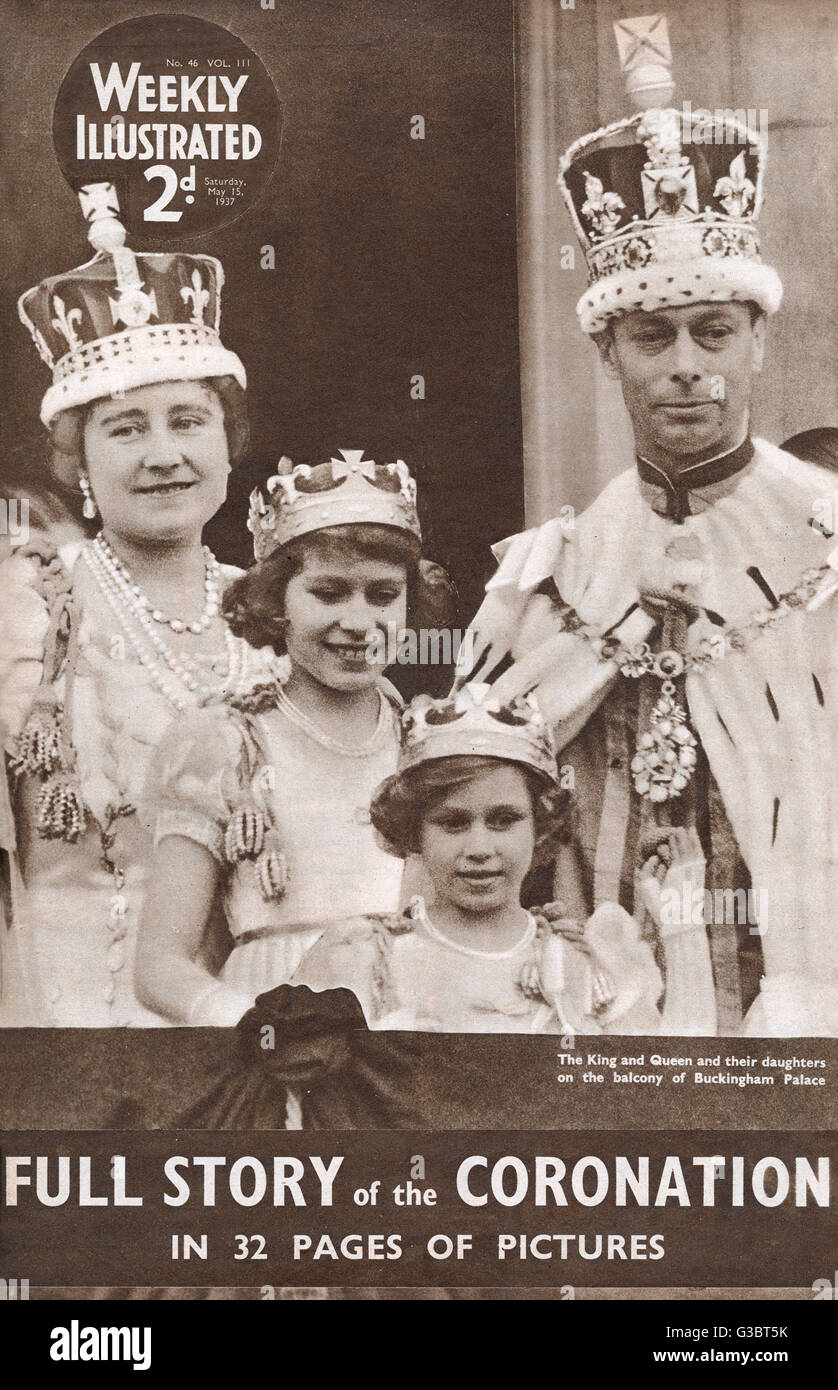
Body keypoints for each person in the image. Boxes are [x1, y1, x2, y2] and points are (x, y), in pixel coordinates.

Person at [456, 104, 838, 1036]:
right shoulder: (564, 561)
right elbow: (485, 765)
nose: (686, 368)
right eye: (652, 338)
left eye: (713, 334)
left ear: (756, 338)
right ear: (606, 352)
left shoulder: (824, 538)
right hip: (610, 963)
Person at [0, 182, 281, 1026]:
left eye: (187, 421)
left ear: (227, 446)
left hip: (259, 1022)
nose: (164, 454)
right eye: (126, 429)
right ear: (76, 460)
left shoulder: (273, 616)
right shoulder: (26, 616)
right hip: (75, 1019)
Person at [136, 450, 453, 1026]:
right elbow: (160, 966)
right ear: (275, 601)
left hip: (412, 1027)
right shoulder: (226, 739)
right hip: (273, 1023)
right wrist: (253, 1023)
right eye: (328, 593)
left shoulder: (428, 742)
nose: (359, 622)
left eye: (382, 595)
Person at [291, 682, 708, 1035]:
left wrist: (682, 925)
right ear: (414, 832)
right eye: (452, 823)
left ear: (540, 827)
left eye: (504, 820)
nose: (479, 848)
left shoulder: (586, 962)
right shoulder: (360, 956)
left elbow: (676, 1095)